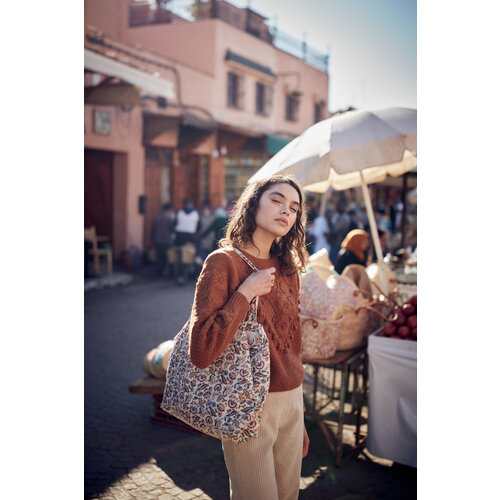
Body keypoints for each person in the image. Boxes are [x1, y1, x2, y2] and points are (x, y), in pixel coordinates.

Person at [188, 175, 310, 500]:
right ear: (253, 203)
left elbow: (293, 344)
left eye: (294, 208)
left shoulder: (288, 268)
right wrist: (245, 293)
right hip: (248, 403)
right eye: (277, 200)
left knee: (288, 496)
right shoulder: (222, 263)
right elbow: (200, 350)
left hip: (292, 400)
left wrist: (300, 413)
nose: (286, 210)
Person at [173, 198, 203, 266]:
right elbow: (199, 227)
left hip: (179, 236)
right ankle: (198, 256)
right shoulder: (196, 213)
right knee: (199, 241)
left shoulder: (179, 212)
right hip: (190, 235)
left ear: (183, 204)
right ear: (191, 204)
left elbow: (174, 224)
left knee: (174, 244)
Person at [151, 203, 176, 277]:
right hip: (166, 241)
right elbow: (172, 230)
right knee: (165, 259)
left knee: (159, 258)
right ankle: (164, 274)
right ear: (170, 210)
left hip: (157, 240)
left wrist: (152, 239)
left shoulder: (157, 217)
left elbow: (153, 230)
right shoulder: (169, 218)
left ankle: (158, 273)